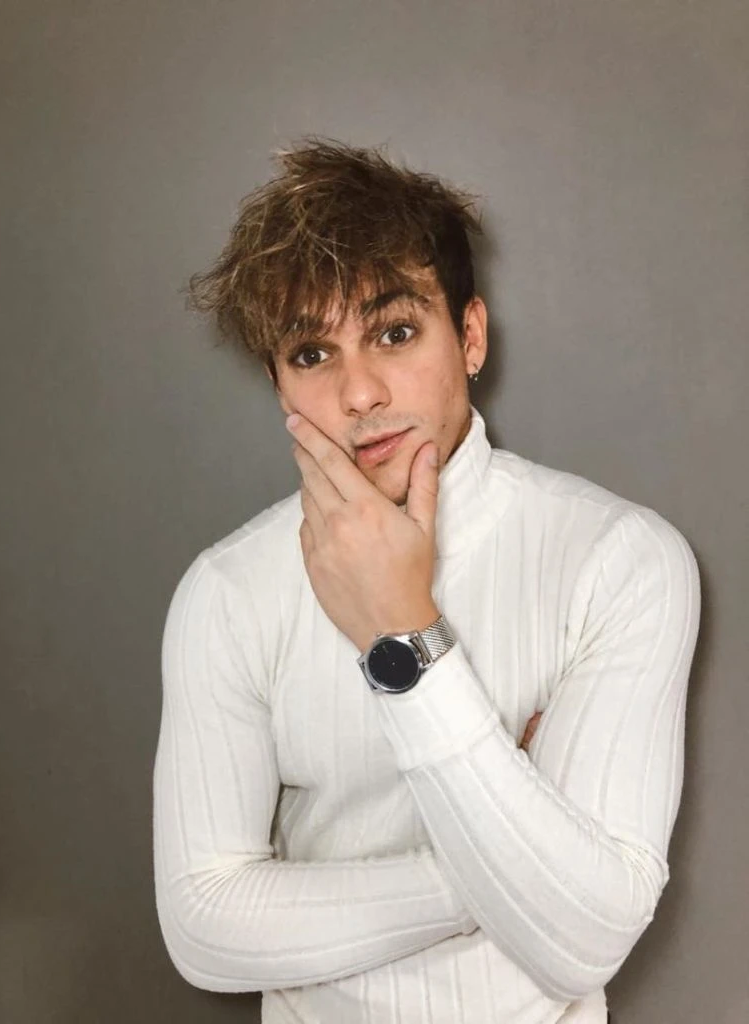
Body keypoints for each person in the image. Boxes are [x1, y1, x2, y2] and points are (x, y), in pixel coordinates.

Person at [153, 140, 700, 1024]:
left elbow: (584, 942)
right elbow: (204, 931)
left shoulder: (619, 558)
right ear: (279, 386)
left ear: (470, 337)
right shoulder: (227, 592)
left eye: (395, 333)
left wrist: (401, 634)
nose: (360, 393)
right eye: (312, 353)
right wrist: (501, 870)